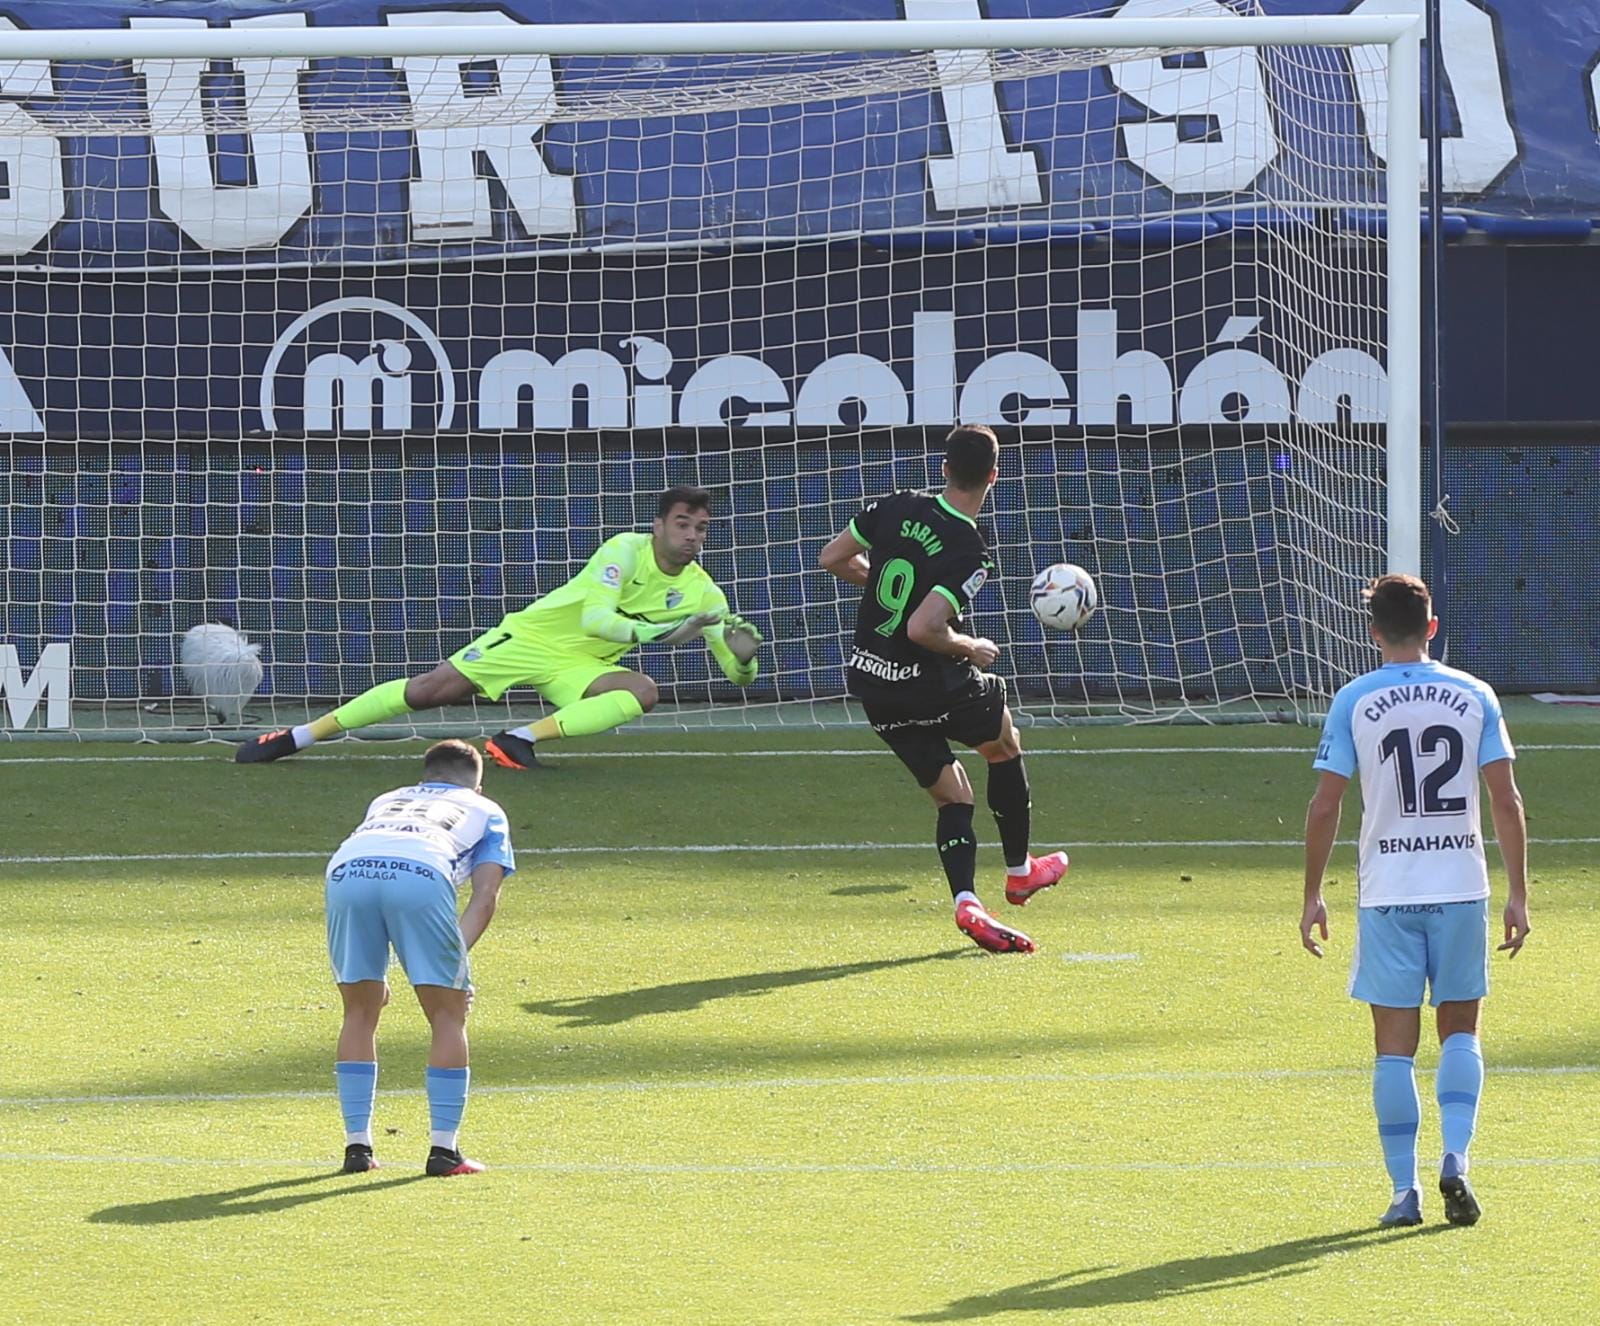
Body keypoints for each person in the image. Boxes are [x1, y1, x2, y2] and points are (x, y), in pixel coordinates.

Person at [1300, 573, 1530, 1228]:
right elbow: (1506, 801)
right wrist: (1518, 893)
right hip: (1460, 887)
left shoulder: (1354, 700)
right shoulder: (1475, 695)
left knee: (1393, 1048)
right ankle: (1456, 1155)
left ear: (1373, 632)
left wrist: (1314, 893)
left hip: (1389, 894)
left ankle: (1404, 1193)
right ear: (1432, 627)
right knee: (1461, 1030)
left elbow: (1326, 805)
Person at [236, 487, 763, 768]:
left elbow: (736, 677)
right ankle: (296, 737)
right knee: (425, 692)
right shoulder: (624, 549)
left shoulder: (705, 592)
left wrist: (742, 659)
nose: (693, 536)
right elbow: (595, 619)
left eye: (701, 528)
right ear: (658, 525)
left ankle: (515, 740)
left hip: (581, 666)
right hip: (532, 639)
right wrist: (661, 634)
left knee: (642, 690)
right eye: (682, 524)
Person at [817, 424, 1069, 955]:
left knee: (952, 795)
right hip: (929, 679)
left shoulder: (894, 505)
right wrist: (969, 646)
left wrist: (882, 576)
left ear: (943, 468)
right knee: (1003, 743)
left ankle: (967, 901)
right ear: (994, 477)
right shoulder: (970, 550)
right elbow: (924, 630)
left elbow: (832, 558)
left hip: (872, 681)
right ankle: (1021, 871)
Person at [325, 739, 514, 1176]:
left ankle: (357, 1148)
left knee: (359, 1009)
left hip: (347, 870)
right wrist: (451, 967)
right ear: (477, 786)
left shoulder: (387, 799)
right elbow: (485, 897)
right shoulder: (486, 810)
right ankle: (444, 1152)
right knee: (447, 1014)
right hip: (421, 871)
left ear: (424, 777)